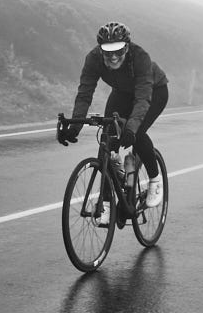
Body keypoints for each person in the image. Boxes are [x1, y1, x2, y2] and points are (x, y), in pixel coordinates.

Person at [58, 22, 170, 222]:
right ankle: (109, 201)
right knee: (107, 140)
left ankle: (155, 180)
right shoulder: (93, 59)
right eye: (107, 52)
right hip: (122, 93)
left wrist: (131, 129)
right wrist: (74, 127)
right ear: (100, 49)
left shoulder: (140, 57)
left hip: (154, 91)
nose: (113, 57)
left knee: (137, 133)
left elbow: (143, 98)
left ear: (126, 47)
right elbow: (84, 94)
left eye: (118, 51)